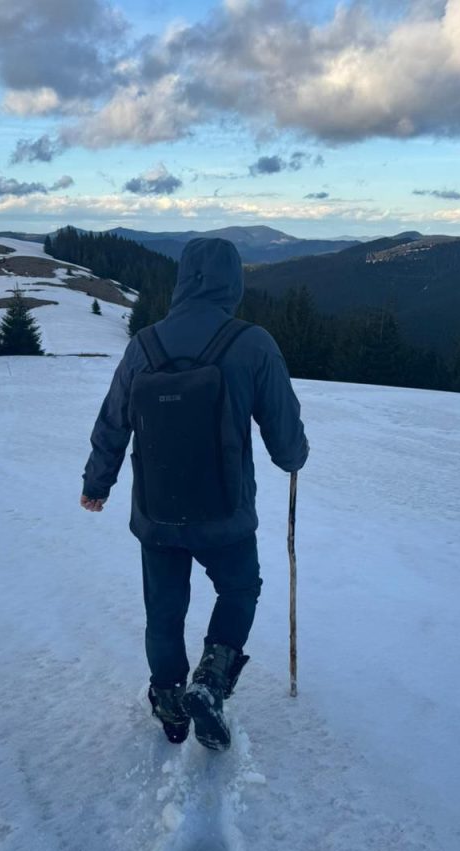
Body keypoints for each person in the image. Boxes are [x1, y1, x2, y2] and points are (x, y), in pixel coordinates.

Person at [81, 237, 308, 751]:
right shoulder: (252, 343)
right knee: (239, 588)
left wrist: (97, 485)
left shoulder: (145, 344)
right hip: (225, 513)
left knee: (164, 610)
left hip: (155, 514)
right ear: (234, 282)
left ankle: (168, 702)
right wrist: (296, 458)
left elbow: (113, 421)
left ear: (183, 280)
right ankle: (212, 678)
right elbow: (284, 437)